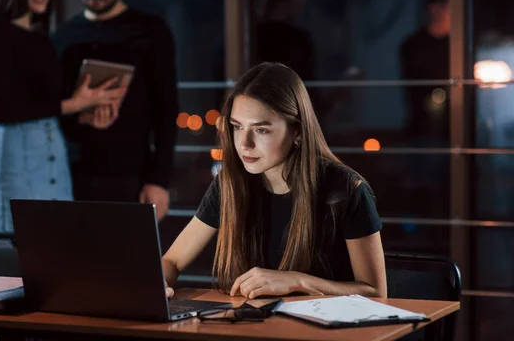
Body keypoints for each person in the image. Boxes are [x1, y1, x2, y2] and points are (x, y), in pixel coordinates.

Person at [162, 62, 386, 299]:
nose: (244, 144)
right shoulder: (230, 183)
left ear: (297, 132)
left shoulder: (346, 189)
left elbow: (376, 293)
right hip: (253, 328)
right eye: (237, 127)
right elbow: (173, 261)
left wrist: (297, 281)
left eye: (261, 130)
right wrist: (158, 283)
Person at [0, 0, 125, 232]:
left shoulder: (40, 35)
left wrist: (84, 111)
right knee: (15, 258)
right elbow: (1, 109)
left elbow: (45, 102)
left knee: (58, 253)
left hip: (52, 156)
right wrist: (75, 104)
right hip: (15, 161)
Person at [53, 0, 178, 220]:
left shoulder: (151, 32)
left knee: (127, 262)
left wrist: (159, 180)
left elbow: (166, 109)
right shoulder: (62, 37)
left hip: (130, 175)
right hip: (68, 174)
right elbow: (49, 108)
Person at [400, 0, 450, 144]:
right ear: (434, 8)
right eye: (451, 6)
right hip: (423, 128)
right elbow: (413, 88)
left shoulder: (460, 46)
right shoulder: (414, 45)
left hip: (457, 127)